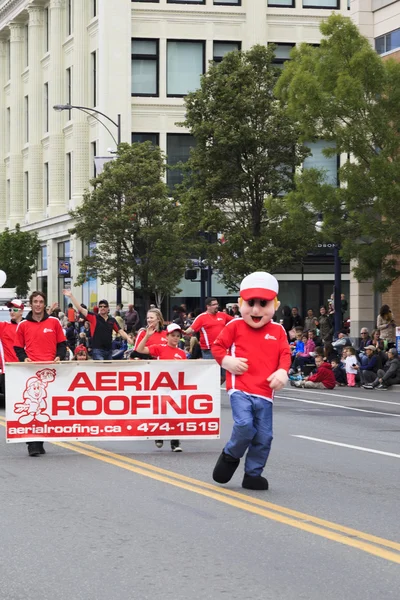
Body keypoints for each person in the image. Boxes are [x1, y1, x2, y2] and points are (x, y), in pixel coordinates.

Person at [211, 271, 291, 491]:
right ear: (240, 303)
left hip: (265, 391)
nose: (256, 310)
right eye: (250, 303)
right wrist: (228, 361)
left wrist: (283, 372)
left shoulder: (278, 330)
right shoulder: (235, 326)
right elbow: (217, 347)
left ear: (275, 304)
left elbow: (285, 354)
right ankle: (230, 455)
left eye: (263, 303)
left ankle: (253, 474)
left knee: (264, 436)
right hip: (240, 387)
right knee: (245, 425)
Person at [13, 291, 67, 457]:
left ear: (44, 304)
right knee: (32, 406)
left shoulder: (54, 322)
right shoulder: (22, 325)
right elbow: (17, 347)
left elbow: (62, 344)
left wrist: (60, 356)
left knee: (47, 407)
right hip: (30, 372)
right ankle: (32, 444)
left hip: (50, 371)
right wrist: (24, 359)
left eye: (40, 301)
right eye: (35, 301)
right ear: (31, 304)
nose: (38, 304)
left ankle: (40, 441)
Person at [136, 322, 185, 452]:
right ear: (167, 336)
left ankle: (175, 442)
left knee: (175, 413)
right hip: (161, 386)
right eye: (173, 335)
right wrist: (146, 337)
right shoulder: (159, 348)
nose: (175, 338)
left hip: (175, 387)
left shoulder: (182, 353)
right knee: (161, 412)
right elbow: (140, 350)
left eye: (177, 336)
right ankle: (159, 435)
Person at [63, 290, 133, 360]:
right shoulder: (94, 317)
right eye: (101, 306)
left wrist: (128, 338)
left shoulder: (112, 320)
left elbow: (120, 331)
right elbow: (80, 309)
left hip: (109, 350)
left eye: (104, 306)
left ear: (108, 308)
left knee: (108, 370)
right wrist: (71, 296)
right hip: (97, 350)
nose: (102, 308)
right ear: (99, 308)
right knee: (101, 368)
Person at [0, 299, 25, 408]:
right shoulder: (4, 326)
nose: (11, 312)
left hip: (25, 369)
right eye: (10, 309)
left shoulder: (28, 326)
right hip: (8, 371)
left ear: (21, 311)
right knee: (11, 405)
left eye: (15, 309)